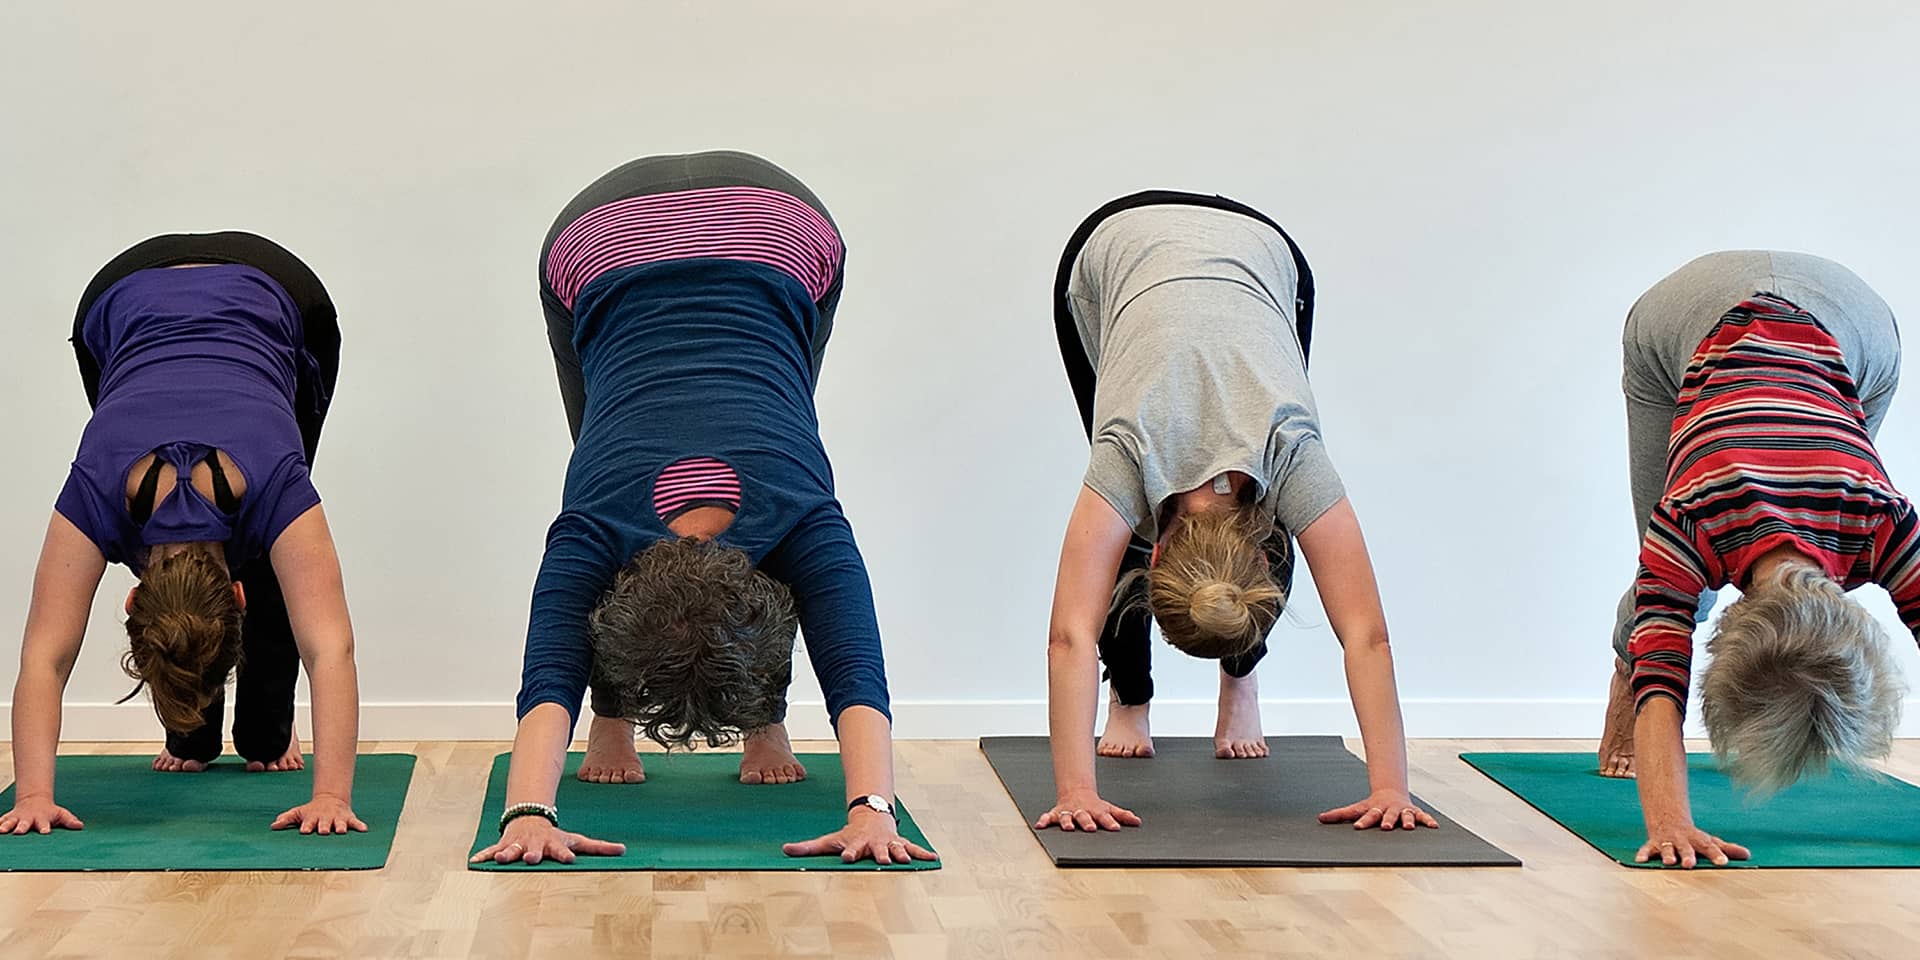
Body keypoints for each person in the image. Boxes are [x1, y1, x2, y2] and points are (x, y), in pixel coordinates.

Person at [471, 151, 935, 867]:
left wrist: (531, 811)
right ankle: (654, 722)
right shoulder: (780, 514)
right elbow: (854, 667)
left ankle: (693, 723)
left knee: (720, 399)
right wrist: (870, 809)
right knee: (767, 387)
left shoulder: (607, 523)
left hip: (625, 228)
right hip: (755, 220)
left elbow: (551, 669)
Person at [1036, 190, 1436, 834]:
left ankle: (1240, 680)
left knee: (1113, 526)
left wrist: (1393, 787)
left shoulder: (1279, 453)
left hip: (1265, 254)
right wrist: (1075, 790)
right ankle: (1129, 694)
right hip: (1119, 250)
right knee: (1114, 524)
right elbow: (1069, 637)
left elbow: (1368, 636)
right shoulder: (1149, 451)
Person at [2, 232, 365, 837]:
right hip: (129, 289)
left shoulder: (263, 480)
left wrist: (35, 796)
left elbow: (46, 656)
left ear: (240, 596)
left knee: (283, 552)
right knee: (287, 551)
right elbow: (331, 649)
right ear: (133, 599)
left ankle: (262, 730)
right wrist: (330, 797)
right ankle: (202, 733)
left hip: (260, 293)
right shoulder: (101, 485)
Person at [1604, 251, 1915, 868]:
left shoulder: (1883, 521)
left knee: (1672, 589)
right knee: (1663, 591)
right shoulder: (1689, 520)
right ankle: (1621, 671)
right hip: (1687, 311)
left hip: (1857, 326)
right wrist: (1669, 824)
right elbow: (1664, 678)